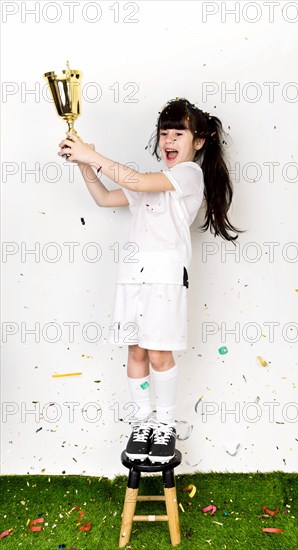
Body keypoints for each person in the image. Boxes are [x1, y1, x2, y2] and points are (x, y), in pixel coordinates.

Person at [58, 98, 241, 463]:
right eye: (163, 133)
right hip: (132, 276)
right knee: (136, 350)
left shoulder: (187, 175)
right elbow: (105, 198)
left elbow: (138, 181)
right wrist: (84, 164)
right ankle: (142, 422)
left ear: (199, 141)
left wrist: (94, 156)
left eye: (178, 133)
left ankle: (165, 424)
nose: (169, 141)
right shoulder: (151, 182)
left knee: (159, 352)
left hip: (165, 278)